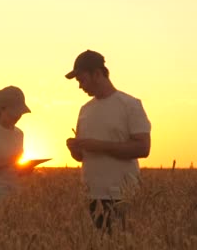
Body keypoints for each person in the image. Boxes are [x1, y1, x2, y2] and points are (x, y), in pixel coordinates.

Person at [65, 50, 151, 232]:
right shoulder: (85, 110)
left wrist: (99, 146)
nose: (80, 86)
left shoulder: (130, 105)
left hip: (122, 193)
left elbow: (143, 148)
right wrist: (74, 149)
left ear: (97, 74)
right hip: (92, 194)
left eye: (82, 80)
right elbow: (82, 157)